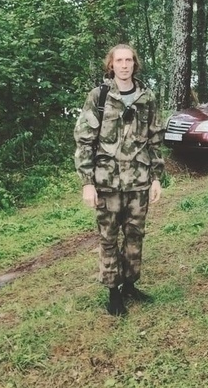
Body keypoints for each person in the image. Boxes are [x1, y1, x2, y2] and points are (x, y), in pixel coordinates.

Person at [74, 44, 164, 316]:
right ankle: (113, 292)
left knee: (135, 235)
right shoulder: (99, 96)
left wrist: (157, 178)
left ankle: (130, 285)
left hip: (139, 181)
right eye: (119, 61)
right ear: (111, 65)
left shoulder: (147, 97)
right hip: (107, 182)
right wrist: (87, 182)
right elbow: (84, 140)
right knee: (109, 237)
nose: (124, 65)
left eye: (129, 60)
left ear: (135, 64)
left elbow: (155, 138)